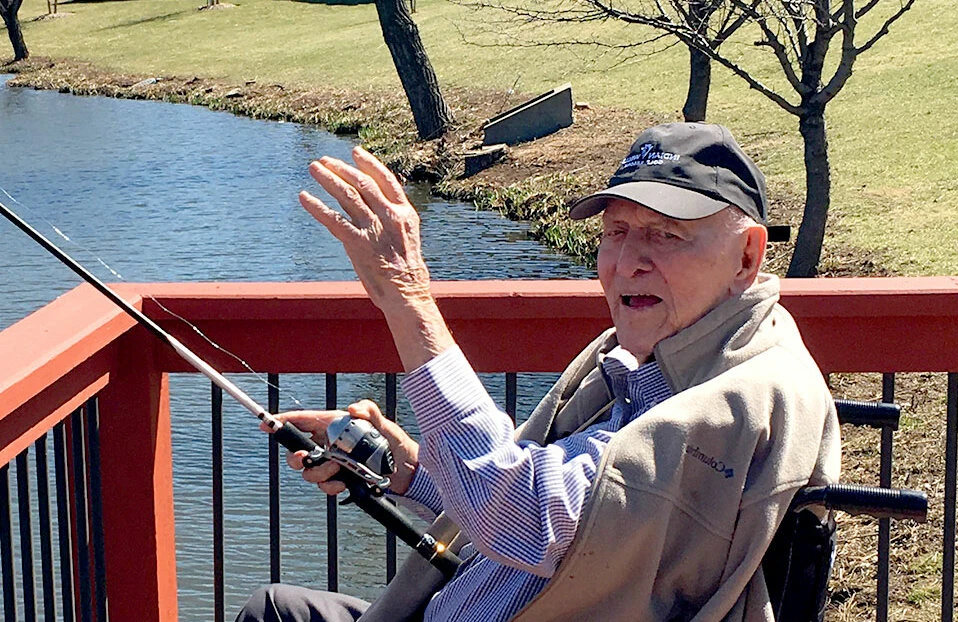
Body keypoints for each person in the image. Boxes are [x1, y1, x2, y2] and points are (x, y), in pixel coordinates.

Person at [239, 123, 841, 622]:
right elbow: (563, 513)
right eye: (617, 232)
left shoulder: (734, 397)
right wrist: (408, 471)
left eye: (666, 235)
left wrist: (407, 298)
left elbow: (521, 516)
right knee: (276, 608)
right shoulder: (679, 358)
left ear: (748, 255)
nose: (629, 262)